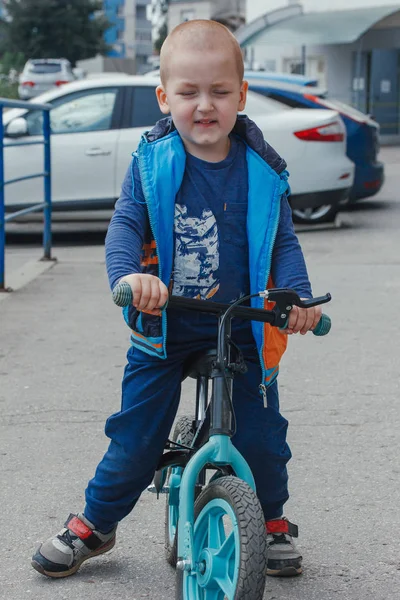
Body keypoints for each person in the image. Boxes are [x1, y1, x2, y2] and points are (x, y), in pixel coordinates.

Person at [31, 19, 322, 580]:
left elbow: (282, 241)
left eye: (219, 92)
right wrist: (130, 277)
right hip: (163, 323)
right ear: (166, 97)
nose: (204, 106)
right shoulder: (153, 161)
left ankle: (272, 518)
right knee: (135, 438)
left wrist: (296, 297)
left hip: (241, 323)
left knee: (263, 436)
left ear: (241, 95)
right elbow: (124, 226)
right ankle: (97, 522)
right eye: (189, 92)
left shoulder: (264, 171)